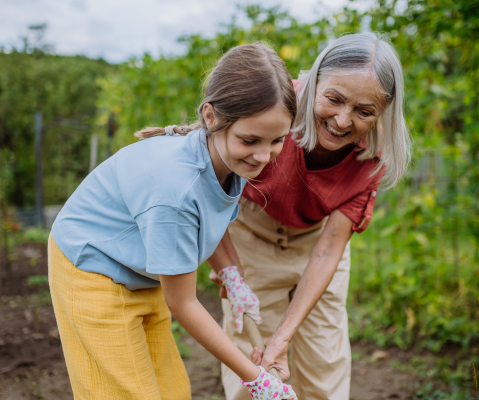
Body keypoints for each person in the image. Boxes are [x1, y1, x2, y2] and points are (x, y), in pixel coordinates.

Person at [48, 43, 299, 400]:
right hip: (95, 269)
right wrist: (256, 378)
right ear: (211, 117)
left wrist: (231, 273)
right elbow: (184, 304)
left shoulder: (229, 157)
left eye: (277, 140)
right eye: (251, 140)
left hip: (142, 267)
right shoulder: (177, 189)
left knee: (171, 391)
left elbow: (210, 218)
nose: (263, 155)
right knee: (128, 393)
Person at [208, 33, 412, 400]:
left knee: (323, 364)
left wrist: (284, 336)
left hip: (316, 242)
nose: (342, 120)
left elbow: (328, 250)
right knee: (253, 366)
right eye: (333, 99)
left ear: (383, 113)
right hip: (251, 234)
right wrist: (229, 268)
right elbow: (212, 184)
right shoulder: (271, 106)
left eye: (364, 111)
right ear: (314, 80)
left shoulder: (375, 152)